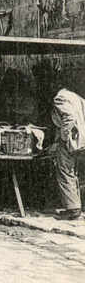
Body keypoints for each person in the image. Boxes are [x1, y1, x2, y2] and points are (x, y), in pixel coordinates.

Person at [50, 89, 85, 220]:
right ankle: (76, 205)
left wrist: (64, 138)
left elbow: (69, 118)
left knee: (65, 171)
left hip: (71, 141)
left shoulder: (60, 98)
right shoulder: (75, 97)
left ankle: (73, 208)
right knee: (74, 172)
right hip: (81, 140)